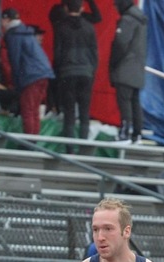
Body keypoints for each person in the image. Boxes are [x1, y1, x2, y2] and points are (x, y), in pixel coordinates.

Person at [52, 0, 98, 152]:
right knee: (85, 111)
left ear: (66, 8)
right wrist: (92, 70)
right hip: (86, 72)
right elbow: (94, 53)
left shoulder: (61, 27)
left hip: (67, 72)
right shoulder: (89, 27)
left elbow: (57, 54)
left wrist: (58, 72)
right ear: (82, 8)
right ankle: (83, 144)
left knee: (69, 111)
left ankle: (69, 148)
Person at [0, 8, 53, 136]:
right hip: (43, 73)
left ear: (6, 20)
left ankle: (30, 141)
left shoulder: (13, 35)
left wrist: (16, 83)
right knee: (34, 109)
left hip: (31, 76)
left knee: (28, 109)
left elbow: (15, 60)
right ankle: (34, 138)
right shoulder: (26, 32)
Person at [109, 0, 146, 144]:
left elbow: (120, 44)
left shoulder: (127, 20)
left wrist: (113, 63)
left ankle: (125, 133)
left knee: (124, 102)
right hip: (137, 69)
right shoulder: (141, 20)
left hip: (125, 68)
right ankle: (137, 135)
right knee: (135, 102)